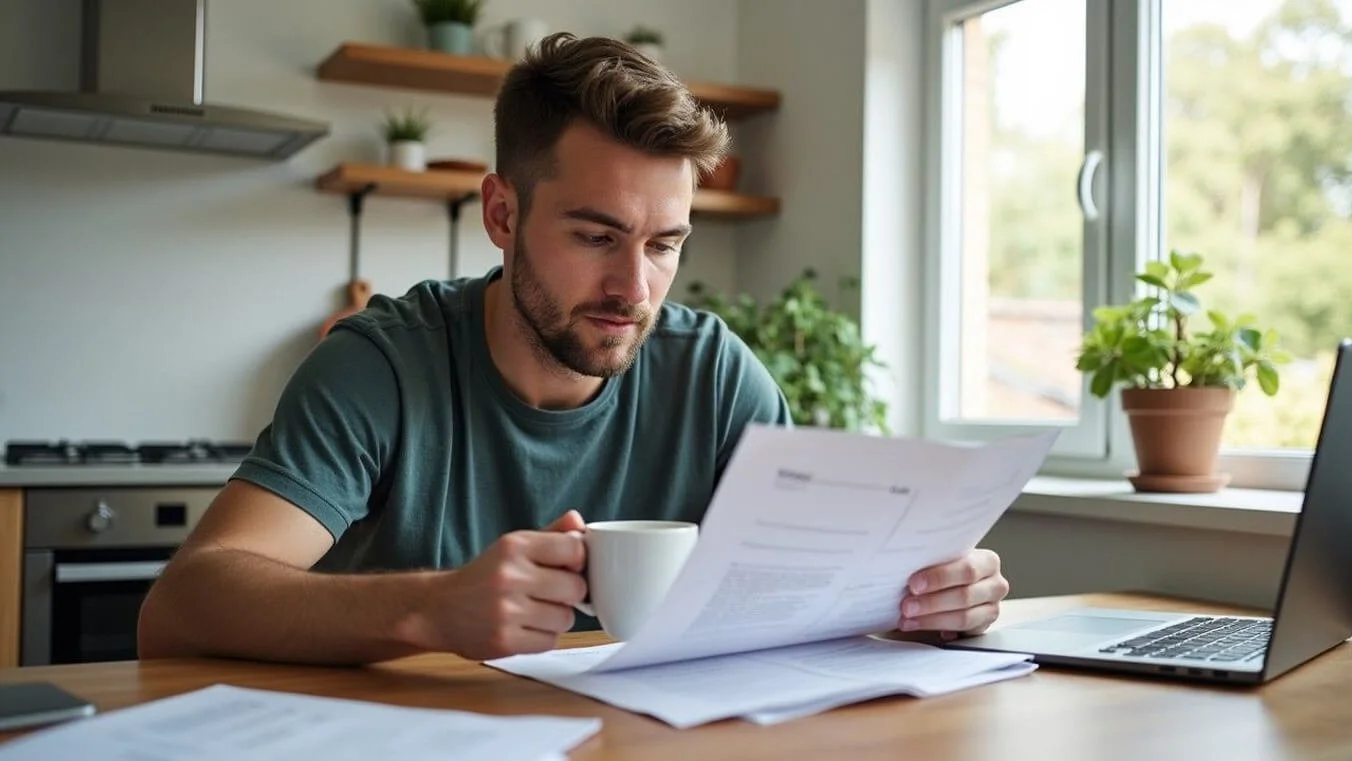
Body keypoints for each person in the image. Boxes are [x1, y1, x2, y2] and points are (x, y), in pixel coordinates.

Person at [136, 33, 1010, 666]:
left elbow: (809, 590)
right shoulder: (381, 367)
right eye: (597, 236)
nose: (635, 287)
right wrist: (431, 607)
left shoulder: (712, 374)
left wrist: (922, 595)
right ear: (502, 215)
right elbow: (181, 606)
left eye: (665, 244)